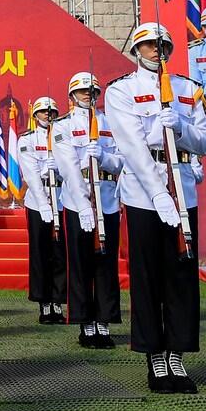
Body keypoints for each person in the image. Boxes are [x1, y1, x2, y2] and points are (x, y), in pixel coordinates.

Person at [105, 21, 206, 393]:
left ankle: (177, 355)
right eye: (149, 45)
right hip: (143, 191)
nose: (157, 50)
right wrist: (157, 194)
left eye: (162, 44)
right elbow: (132, 146)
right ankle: (154, 356)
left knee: (181, 275)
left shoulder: (188, 89)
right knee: (148, 275)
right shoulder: (121, 91)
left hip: (182, 185)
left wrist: (181, 126)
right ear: (137, 50)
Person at [51, 72, 125, 349]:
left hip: (106, 198)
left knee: (105, 265)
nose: (88, 95)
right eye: (82, 91)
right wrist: (83, 204)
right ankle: (86, 323)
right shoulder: (63, 126)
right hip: (76, 200)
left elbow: (122, 161)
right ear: (71, 96)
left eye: (92, 91)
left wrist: (104, 156)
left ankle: (103, 322)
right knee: (80, 264)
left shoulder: (110, 123)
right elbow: (68, 167)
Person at [17, 96, 67, 326]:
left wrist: (60, 168)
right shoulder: (27, 139)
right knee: (40, 252)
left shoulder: (62, 136)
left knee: (60, 252)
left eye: (52, 112)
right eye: (44, 112)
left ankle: (58, 299)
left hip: (62, 197)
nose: (48, 115)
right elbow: (30, 172)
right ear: (35, 115)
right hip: (38, 201)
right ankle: (43, 302)